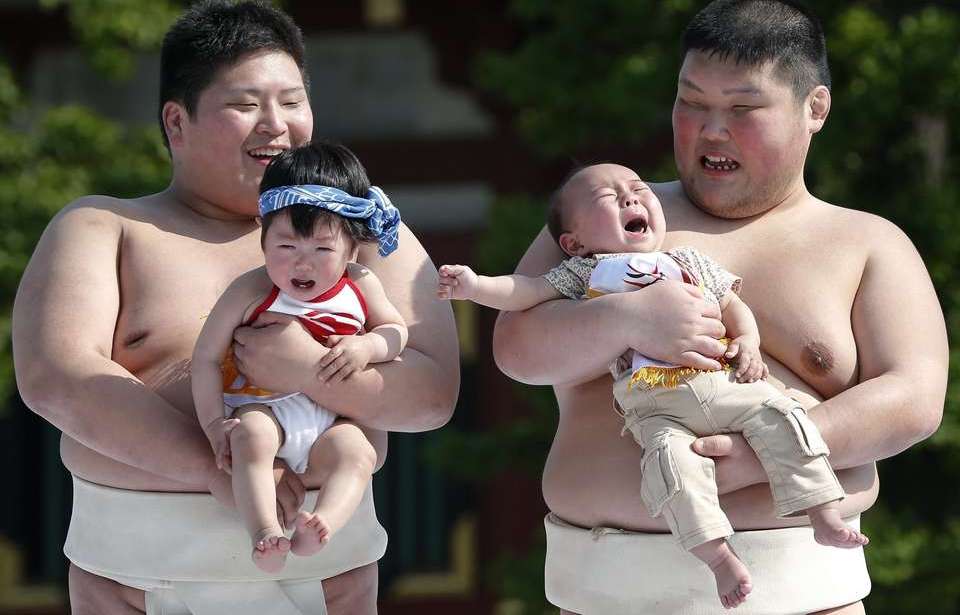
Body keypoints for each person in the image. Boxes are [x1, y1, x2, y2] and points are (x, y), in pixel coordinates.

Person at [491, 2, 947, 614]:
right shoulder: (606, 218)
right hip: (607, 588)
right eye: (691, 102)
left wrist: (758, 456)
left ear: (814, 108)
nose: (711, 130)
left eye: (741, 108)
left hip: (804, 591)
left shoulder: (867, 243)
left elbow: (915, 397)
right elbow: (516, 350)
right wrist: (626, 318)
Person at [12, 2, 458, 614]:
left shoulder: (361, 233)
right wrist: (223, 468)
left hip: (324, 574)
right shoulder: (103, 227)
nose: (276, 125)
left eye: (292, 101)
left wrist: (307, 370)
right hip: (140, 576)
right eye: (246, 105)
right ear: (177, 120)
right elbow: (56, 377)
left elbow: (432, 394)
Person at [438, 162, 868, 608]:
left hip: (723, 382)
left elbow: (732, 304)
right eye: (608, 197)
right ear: (573, 243)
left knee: (784, 417)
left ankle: (823, 512)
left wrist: (749, 342)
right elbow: (523, 292)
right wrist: (475, 285)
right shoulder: (583, 274)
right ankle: (718, 558)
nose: (630, 197)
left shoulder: (687, 261)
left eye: (638, 189)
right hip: (656, 404)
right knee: (671, 467)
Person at [193, 141, 408, 573]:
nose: (302, 265)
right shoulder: (249, 290)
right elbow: (206, 359)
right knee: (248, 437)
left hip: (333, 416)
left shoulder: (361, 284)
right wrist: (214, 424)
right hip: (264, 406)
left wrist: (366, 346)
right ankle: (264, 531)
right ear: (262, 237)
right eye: (286, 247)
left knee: (358, 453)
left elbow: (396, 331)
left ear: (352, 249)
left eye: (322, 250)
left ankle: (323, 523)